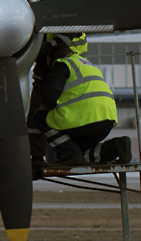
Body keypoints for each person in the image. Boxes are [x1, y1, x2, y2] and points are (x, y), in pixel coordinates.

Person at [31, 31, 117, 163]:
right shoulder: (89, 66)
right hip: (107, 120)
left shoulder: (61, 64)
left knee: (40, 117)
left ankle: (60, 156)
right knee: (76, 151)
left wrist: (44, 107)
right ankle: (115, 146)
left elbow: (50, 96)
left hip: (83, 121)